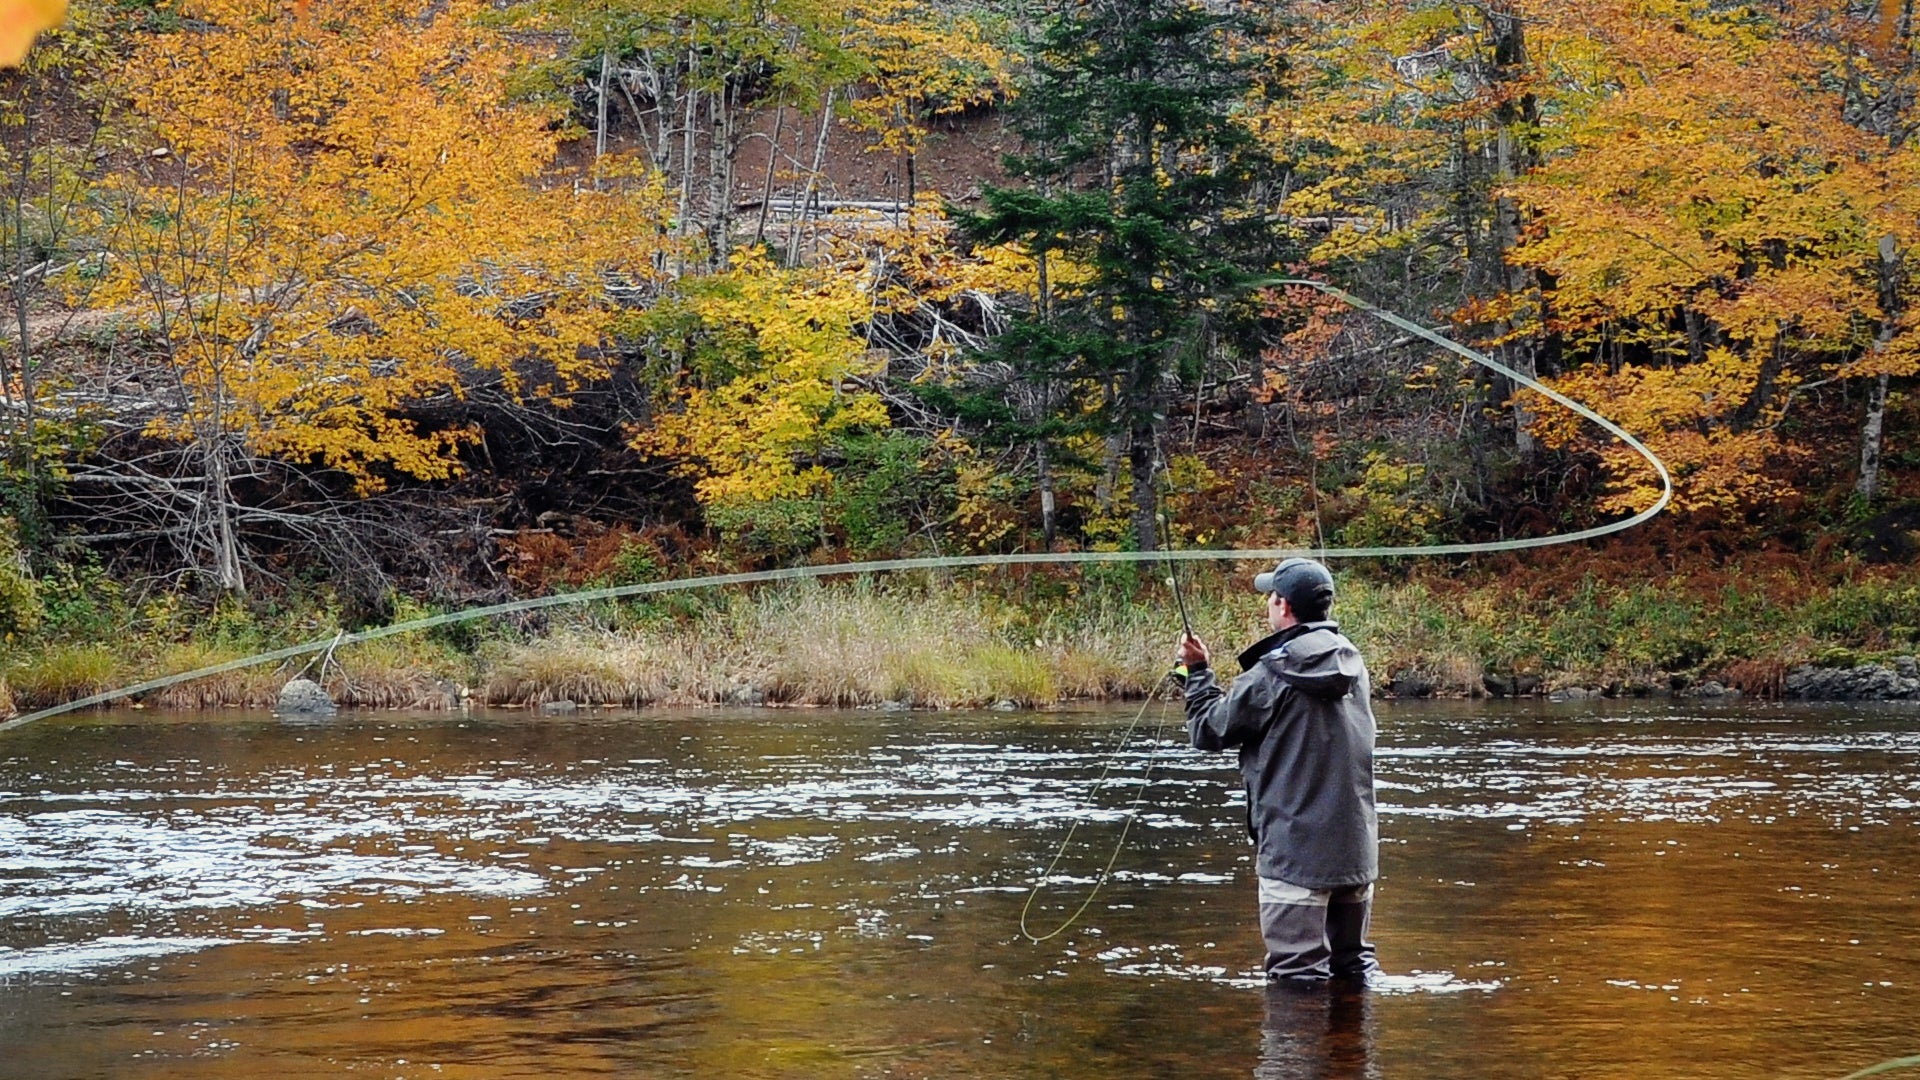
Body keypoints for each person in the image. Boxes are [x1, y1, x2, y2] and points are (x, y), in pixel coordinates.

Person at [1176, 557, 1381, 986]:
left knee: (1296, 977)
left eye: (1271, 597)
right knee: (1352, 968)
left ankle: (1293, 1057)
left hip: (1295, 856)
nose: (1268, 604)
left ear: (1283, 606)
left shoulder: (1271, 674)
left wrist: (1196, 672)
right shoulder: (1353, 664)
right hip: (1355, 853)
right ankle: (1354, 1053)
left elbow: (1208, 730)